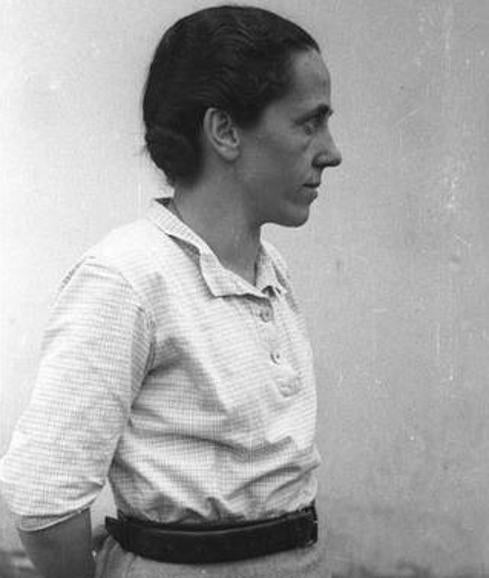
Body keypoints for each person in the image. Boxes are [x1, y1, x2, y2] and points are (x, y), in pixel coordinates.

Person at [0, 5, 341, 577]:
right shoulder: (127, 279)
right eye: (309, 123)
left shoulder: (270, 269)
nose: (331, 151)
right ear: (225, 131)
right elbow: (44, 500)